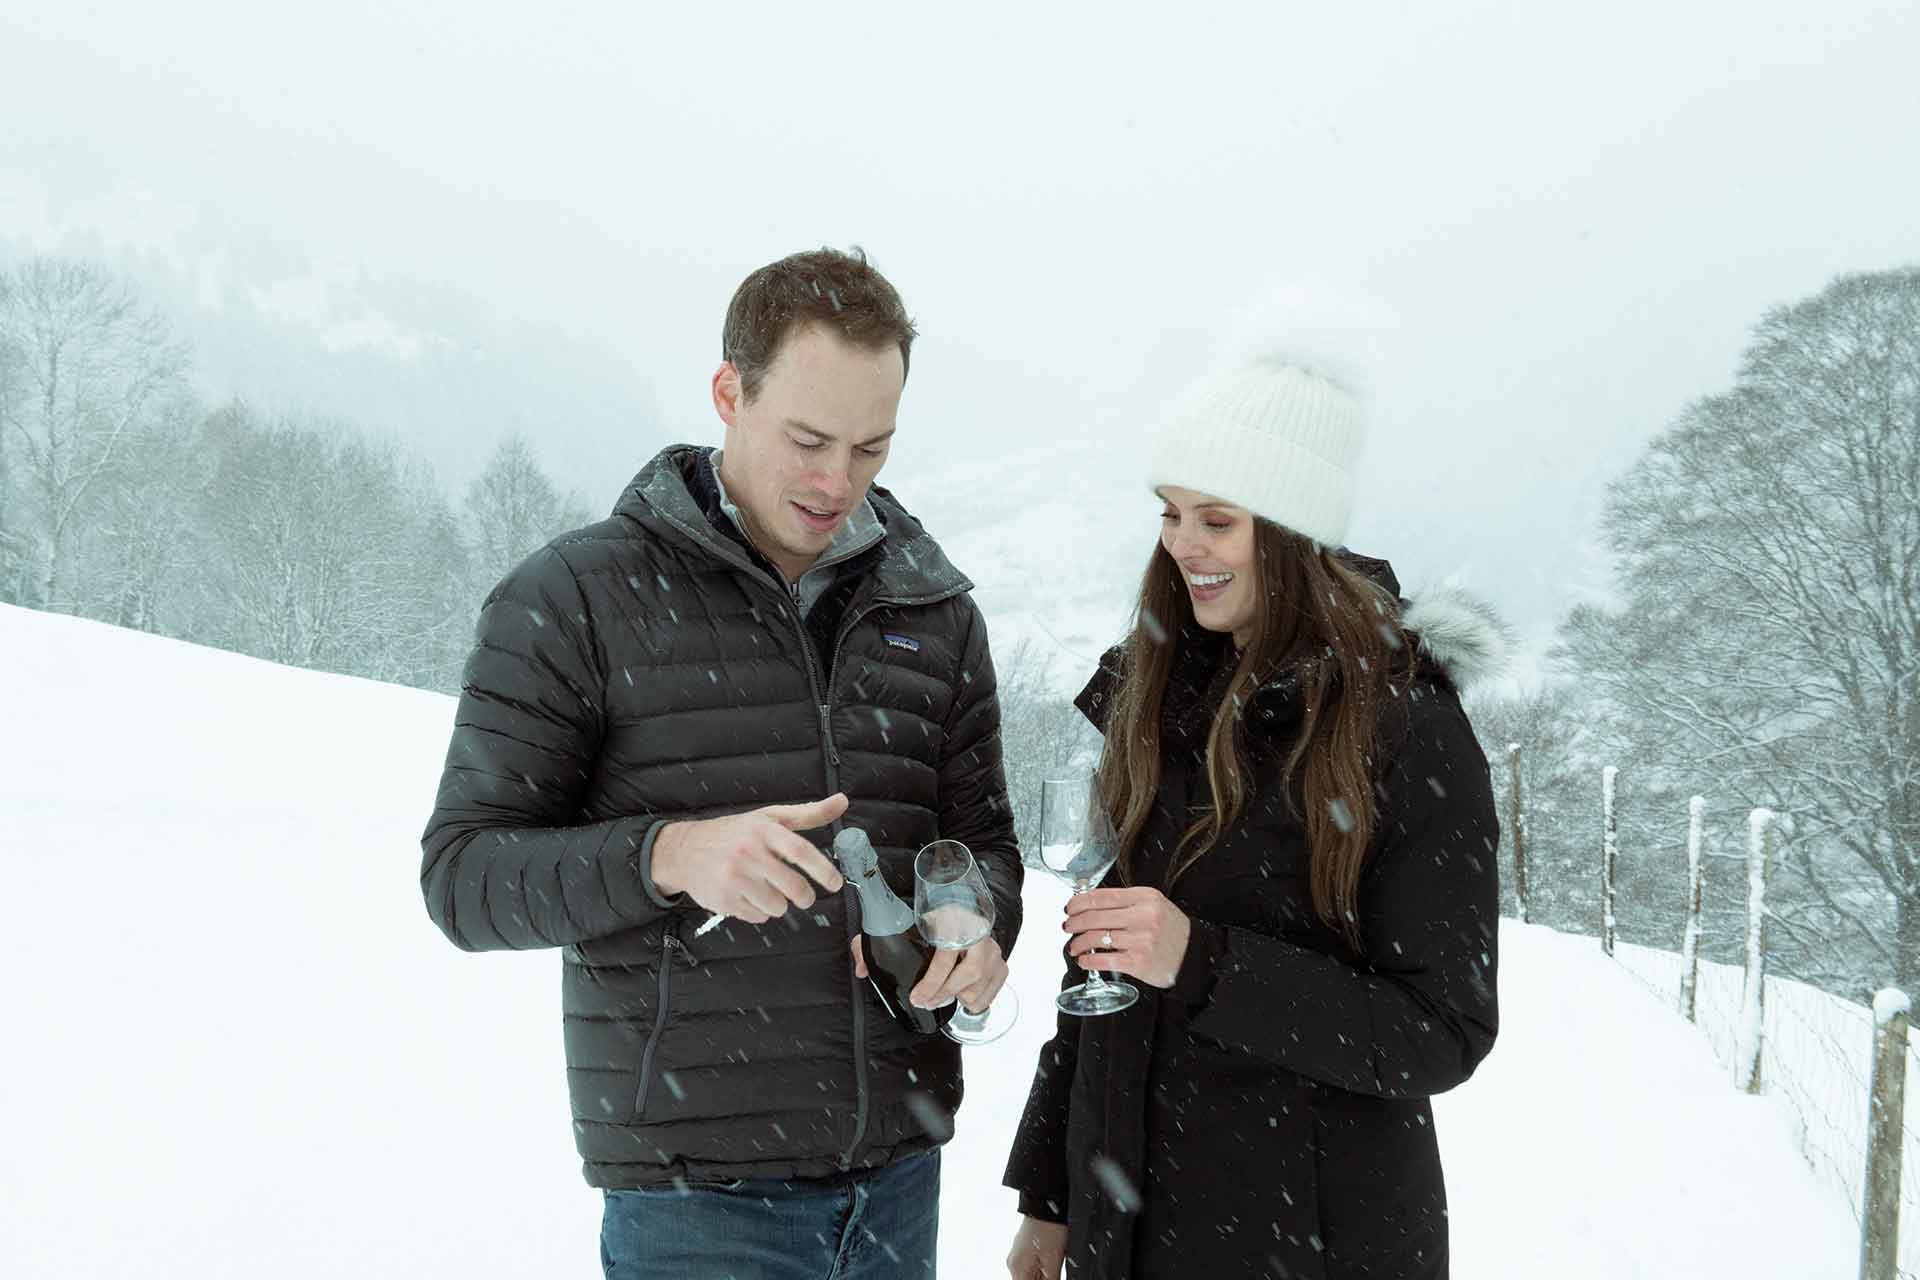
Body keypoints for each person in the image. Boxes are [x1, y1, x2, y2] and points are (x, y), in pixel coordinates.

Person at [421, 246, 1022, 1279]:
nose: (839, 481)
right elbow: (465, 877)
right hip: (697, 1203)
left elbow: (988, 847)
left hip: (899, 1182)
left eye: (872, 447)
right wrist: (671, 854)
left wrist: (977, 920)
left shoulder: (935, 607)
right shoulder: (575, 596)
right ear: (727, 392)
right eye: (808, 439)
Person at [1003, 351, 1505, 1279]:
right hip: (1130, 1229)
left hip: (1312, 1243)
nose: (1182, 544)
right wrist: (1052, 1193)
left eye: (1217, 520)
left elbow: (1440, 1029)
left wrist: (1202, 960)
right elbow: (1106, 971)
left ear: (1292, 531)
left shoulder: (1405, 728)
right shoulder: (1162, 698)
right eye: (1171, 512)